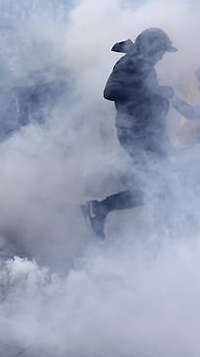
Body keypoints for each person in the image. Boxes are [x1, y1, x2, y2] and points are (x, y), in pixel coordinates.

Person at [81, 28, 199, 239]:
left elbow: (184, 110)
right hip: (137, 135)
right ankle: (165, 238)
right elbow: (110, 91)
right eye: (161, 51)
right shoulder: (129, 62)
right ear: (150, 48)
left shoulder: (145, 66)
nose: (162, 56)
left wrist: (170, 98)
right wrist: (151, 92)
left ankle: (101, 209)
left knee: (164, 185)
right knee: (162, 186)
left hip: (151, 135)